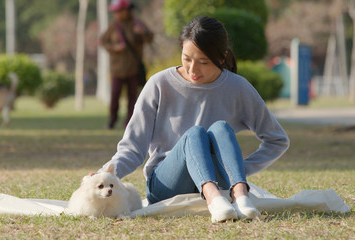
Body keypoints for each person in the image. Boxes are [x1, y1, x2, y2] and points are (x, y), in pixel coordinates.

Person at [96, 16, 290, 223]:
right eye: (187, 58)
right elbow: (133, 149)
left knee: (221, 128)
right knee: (196, 133)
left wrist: (240, 169)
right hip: (167, 185)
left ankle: (240, 194)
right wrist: (101, 176)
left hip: (221, 181)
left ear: (222, 57)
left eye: (203, 62)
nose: (192, 69)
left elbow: (277, 140)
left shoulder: (238, 88)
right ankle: (213, 199)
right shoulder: (159, 84)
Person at [100, 0, 154, 129]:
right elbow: (103, 41)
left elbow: (150, 38)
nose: (116, 14)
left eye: (119, 11)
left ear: (127, 10)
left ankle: (129, 122)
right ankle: (112, 119)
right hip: (117, 69)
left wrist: (142, 33)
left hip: (133, 69)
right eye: (115, 12)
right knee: (115, 95)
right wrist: (114, 48)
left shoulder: (138, 24)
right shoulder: (114, 26)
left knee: (132, 97)